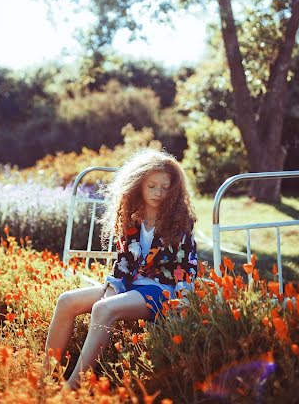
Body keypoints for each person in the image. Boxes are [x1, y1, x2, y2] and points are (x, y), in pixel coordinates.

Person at [44, 149, 198, 389]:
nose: (158, 192)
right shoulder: (131, 217)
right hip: (130, 285)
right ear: (139, 185)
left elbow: (186, 264)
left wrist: (184, 299)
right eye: (152, 186)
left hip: (162, 291)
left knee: (104, 309)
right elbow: (123, 262)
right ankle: (45, 378)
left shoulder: (179, 221)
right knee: (66, 301)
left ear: (174, 188)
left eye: (165, 187)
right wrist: (112, 289)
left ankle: (72, 388)